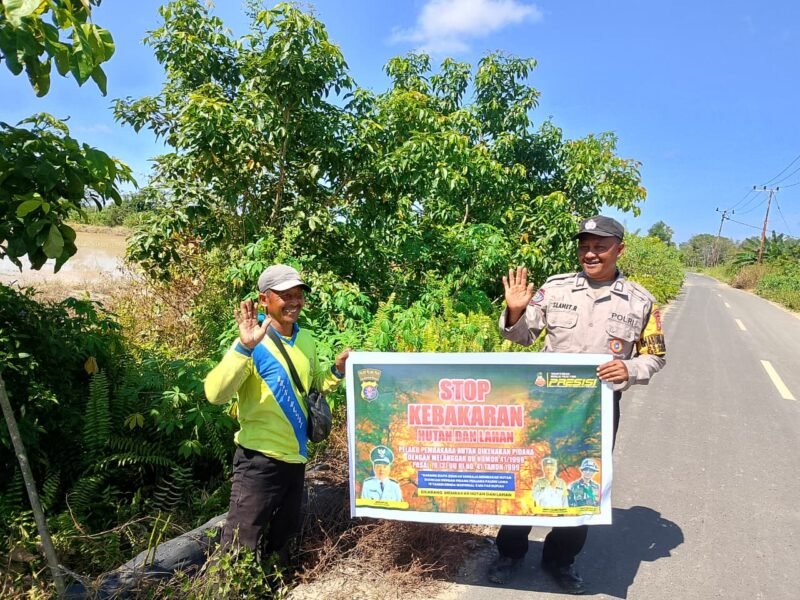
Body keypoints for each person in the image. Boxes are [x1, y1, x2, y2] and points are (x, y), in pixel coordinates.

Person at [487, 215, 666, 594]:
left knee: (583, 481)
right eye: (585, 245)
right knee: (527, 474)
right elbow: (522, 336)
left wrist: (630, 368)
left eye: (600, 246)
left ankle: (560, 561)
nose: (590, 252)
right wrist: (516, 311)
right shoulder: (555, 289)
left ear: (620, 249)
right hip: (544, 404)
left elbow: (655, 356)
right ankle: (510, 553)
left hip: (596, 411)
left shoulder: (642, 301)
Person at [205, 264, 350, 561]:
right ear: (264, 300)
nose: (295, 302)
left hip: (296, 459)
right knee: (238, 549)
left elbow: (312, 385)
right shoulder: (251, 342)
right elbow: (215, 394)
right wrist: (244, 348)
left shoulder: (306, 338)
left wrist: (336, 369)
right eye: (285, 295)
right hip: (258, 461)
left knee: (283, 545)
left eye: (299, 294)